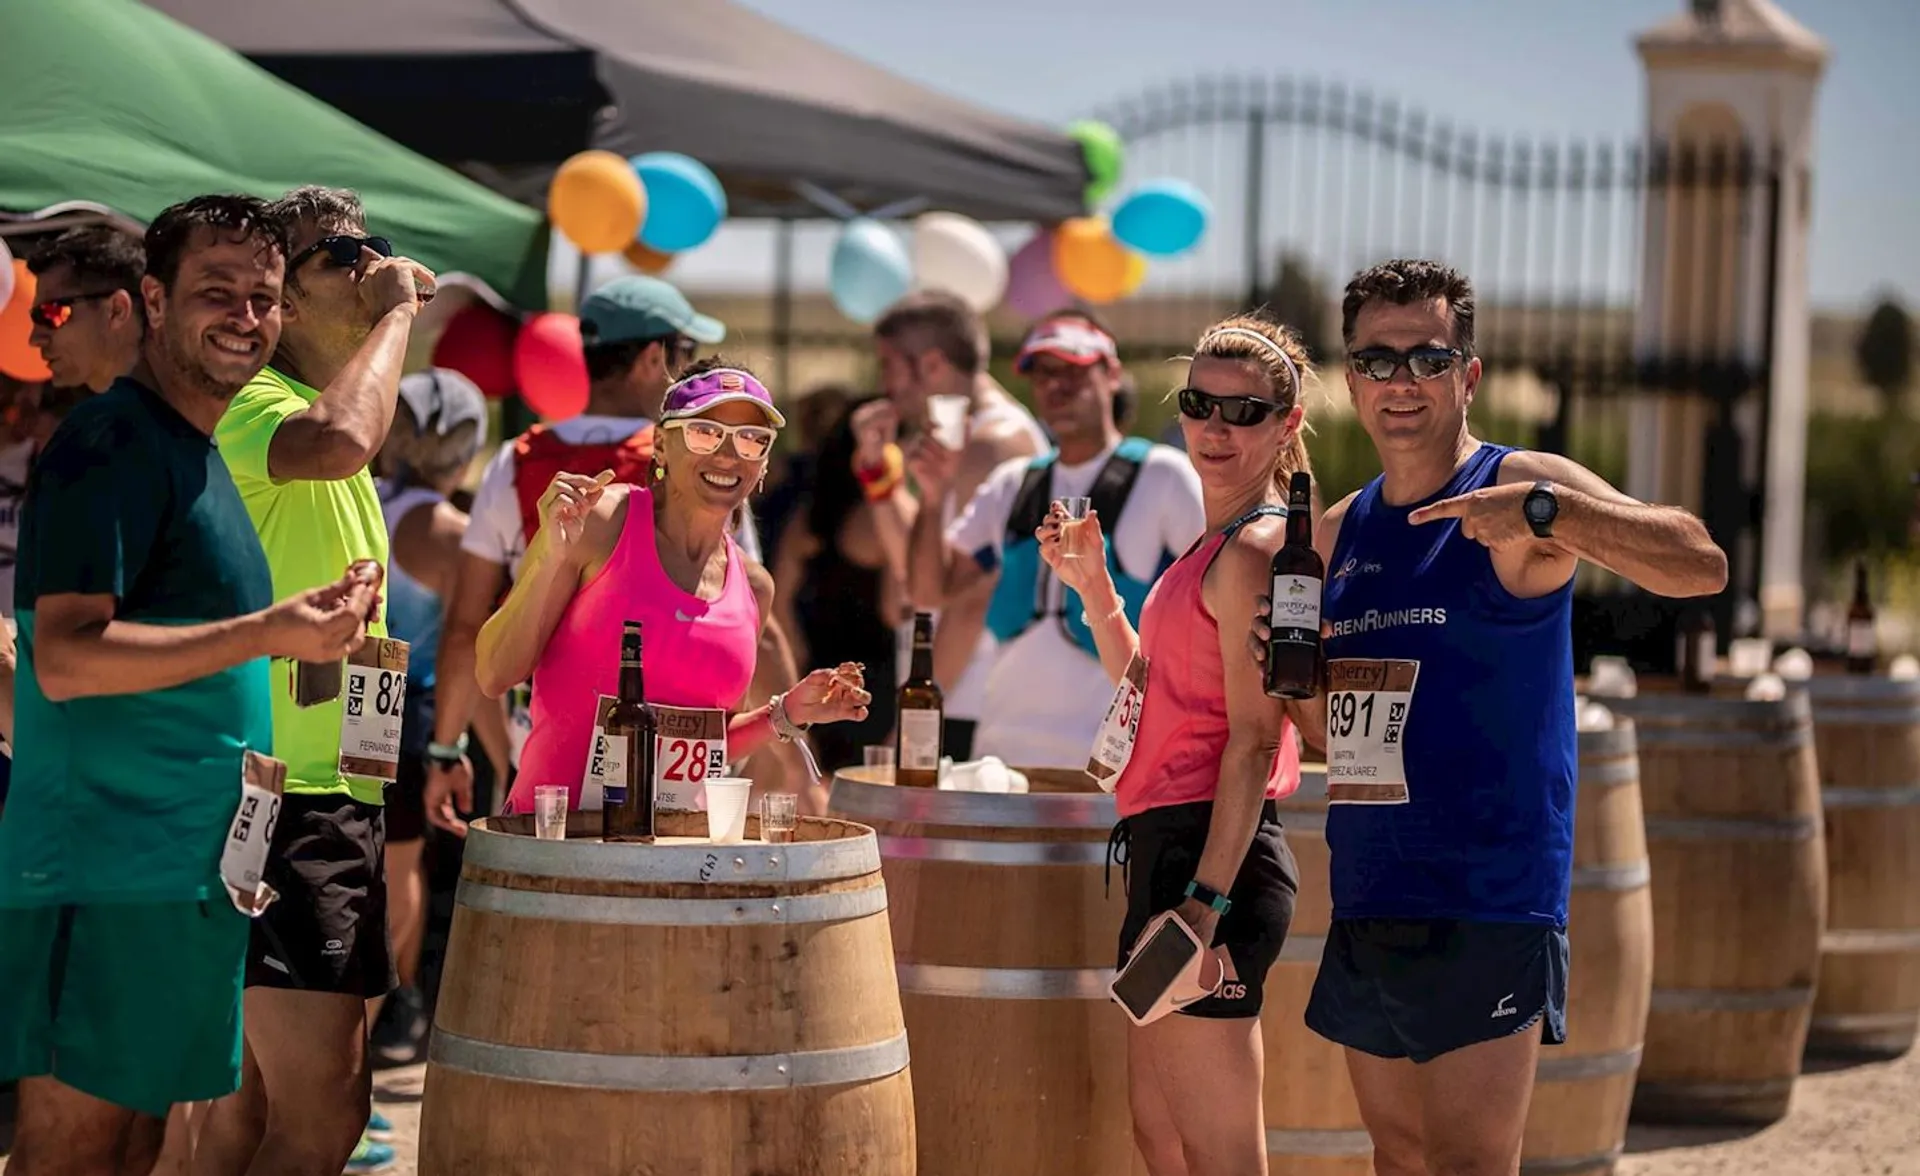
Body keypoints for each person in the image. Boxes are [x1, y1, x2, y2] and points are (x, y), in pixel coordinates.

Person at [1252, 258, 1727, 1176]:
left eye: (1426, 358)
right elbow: (1328, 742)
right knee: (1398, 1157)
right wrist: (1289, 677)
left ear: (1466, 374)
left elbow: (1699, 561)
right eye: (1377, 362)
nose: (1401, 383)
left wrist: (1550, 514)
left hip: (1487, 897)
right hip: (1372, 886)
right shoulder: (1340, 536)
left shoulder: (1518, 483)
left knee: (1470, 1162)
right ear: (1352, 382)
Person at [0, 194, 378, 1176]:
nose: (245, 318)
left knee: (135, 1147)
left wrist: (302, 634)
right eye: (218, 293)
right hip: (105, 864)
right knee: (75, 1147)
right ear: (152, 301)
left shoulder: (195, 450)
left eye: (262, 297)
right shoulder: (112, 444)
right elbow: (66, 658)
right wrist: (268, 630)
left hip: (184, 871)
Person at [194, 185, 435, 1176]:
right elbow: (343, 438)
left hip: (327, 791)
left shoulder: (318, 415)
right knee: (324, 1117)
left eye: (369, 248)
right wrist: (400, 312)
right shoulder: (260, 406)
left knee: (244, 1117)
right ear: (282, 296)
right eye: (341, 254)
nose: (368, 263)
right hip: (282, 797)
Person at [1041, 314, 1310, 1175]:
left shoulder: (1256, 550)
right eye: (1200, 405)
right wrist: (1094, 591)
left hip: (1213, 858)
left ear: (1288, 423)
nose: (1216, 429)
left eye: (1245, 412)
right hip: (1168, 850)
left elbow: (1252, 746)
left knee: (1219, 1154)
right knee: (1160, 1140)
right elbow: (1152, 698)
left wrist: (1205, 901)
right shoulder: (1211, 548)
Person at [473, 359, 872, 821]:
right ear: (661, 445)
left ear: (763, 464)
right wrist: (547, 558)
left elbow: (709, 744)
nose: (728, 455)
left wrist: (786, 712)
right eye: (705, 433)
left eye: (751, 440)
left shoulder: (754, 586)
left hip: (673, 862)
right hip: (558, 851)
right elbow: (493, 673)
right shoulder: (602, 522)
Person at [426, 274, 739, 829]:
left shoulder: (517, 459)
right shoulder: (705, 471)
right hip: (668, 761)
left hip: (541, 741)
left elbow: (464, 624)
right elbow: (745, 608)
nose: (690, 372)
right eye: (685, 355)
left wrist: (448, 750)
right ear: (651, 357)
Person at [914, 310, 1207, 768]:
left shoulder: (1164, 476)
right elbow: (929, 590)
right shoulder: (1012, 483)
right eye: (1043, 373)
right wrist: (933, 498)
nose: (1057, 386)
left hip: (1112, 768)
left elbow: (1212, 611)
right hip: (1000, 764)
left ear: (1112, 374)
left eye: (1073, 370)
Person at [369, 366, 497, 1065]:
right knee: (399, 866)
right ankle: (394, 1000)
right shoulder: (449, 531)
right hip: (413, 711)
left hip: (340, 698)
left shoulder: (350, 497)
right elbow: (466, 645)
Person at [869, 289, 1048, 759]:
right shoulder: (955, 440)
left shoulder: (992, 444)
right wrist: (879, 481)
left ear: (930, 365)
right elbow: (908, 593)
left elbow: (971, 600)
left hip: (966, 706)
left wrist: (913, 723)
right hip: (947, 698)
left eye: (888, 365)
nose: (884, 384)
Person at [771, 392, 917, 771]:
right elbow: (899, 605)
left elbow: (779, 603)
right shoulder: (886, 519)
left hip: (815, 685)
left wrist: (796, 670)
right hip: (871, 693)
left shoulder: (810, 517)